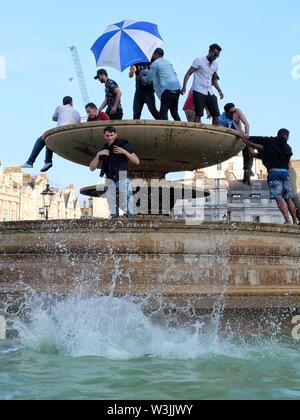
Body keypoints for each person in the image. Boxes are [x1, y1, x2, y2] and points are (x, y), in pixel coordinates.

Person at [240, 129, 299, 225]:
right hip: (284, 174)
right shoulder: (288, 148)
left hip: (273, 173)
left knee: (279, 198)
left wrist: (246, 142)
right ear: (286, 136)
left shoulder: (268, 142)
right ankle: (295, 220)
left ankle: (287, 220)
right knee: (288, 198)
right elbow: (287, 163)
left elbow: (253, 150)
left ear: (278, 135)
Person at [90, 126, 140, 219]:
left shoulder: (123, 144)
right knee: (113, 206)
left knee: (127, 200)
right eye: (107, 135)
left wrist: (124, 152)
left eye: (112, 135)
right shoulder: (103, 149)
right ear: (104, 136)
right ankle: (115, 223)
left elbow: (137, 161)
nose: (110, 137)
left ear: (116, 134)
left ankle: (131, 220)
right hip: (109, 179)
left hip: (122, 176)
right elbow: (92, 168)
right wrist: (98, 155)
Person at [21, 96, 81, 172]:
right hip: (71, 137)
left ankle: (31, 162)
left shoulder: (59, 107)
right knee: (49, 138)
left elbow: (53, 118)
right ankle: (47, 162)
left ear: (63, 102)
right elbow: (78, 126)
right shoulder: (77, 113)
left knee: (41, 139)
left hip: (61, 132)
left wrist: (60, 117)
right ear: (71, 102)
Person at [181, 44, 224, 125]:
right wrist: (184, 87)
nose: (216, 56)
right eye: (215, 54)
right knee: (199, 114)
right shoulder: (199, 60)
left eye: (218, 55)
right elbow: (188, 73)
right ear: (210, 51)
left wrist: (219, 91)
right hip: (198, 90)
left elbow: (214, 79)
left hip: (209, 91)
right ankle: (196, 132)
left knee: (216, 114)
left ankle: (214, 134)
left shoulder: (215, 65)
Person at [141, 48, 181, 121]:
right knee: (174, 112)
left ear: (156, 54)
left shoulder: (155, 64)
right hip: (177, 88)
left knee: (163, 112)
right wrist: (145, 72)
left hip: (168, 89)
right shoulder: (168, 62)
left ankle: (165, 131)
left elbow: (149, 79)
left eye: (153, 54)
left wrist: (142, 78)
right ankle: (181, 130)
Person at [220, 103, 253, 185]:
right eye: (231, 112)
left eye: (234, 111)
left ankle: (247, 171)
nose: (233, 113)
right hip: (229, 136)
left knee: (249, 147)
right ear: (227, 112)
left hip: (240, 134)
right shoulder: (222, 119)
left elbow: (247, 124)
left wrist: (247, 135)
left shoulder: (237, 112)